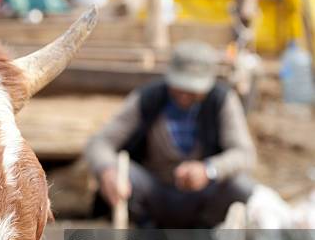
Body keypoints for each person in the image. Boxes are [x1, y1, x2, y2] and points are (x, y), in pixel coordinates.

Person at [85, 40, 256, 228]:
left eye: (193, 89)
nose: (184, 95)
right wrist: (107, 171)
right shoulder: (149, 98)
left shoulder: (222, 101)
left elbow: (244, 154)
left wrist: (208, 170)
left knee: (240, 186)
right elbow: (100, 142)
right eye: (179, 86)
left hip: (203, 197)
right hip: (155, 192)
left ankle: (203, 235)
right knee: (121, 172)